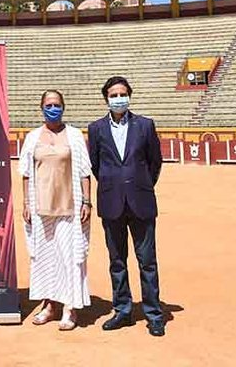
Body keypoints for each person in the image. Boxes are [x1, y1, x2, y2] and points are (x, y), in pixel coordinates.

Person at [87, 76, 166, 337]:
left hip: (141, 200)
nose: (118, 98)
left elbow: (155, 161)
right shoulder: (96, 129)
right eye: (113, 95)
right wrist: (114, 185)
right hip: (111, 203)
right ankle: (122, 310)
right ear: (106, 99)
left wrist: (141, 184)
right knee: (117, 261)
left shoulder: (145, 125)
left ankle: (154, 314)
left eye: (122, 93)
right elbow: (96, 165)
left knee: (147, 262)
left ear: (129, 95)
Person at [19, 90, 93, 331]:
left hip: (69, 207)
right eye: (49, 105)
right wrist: (26, 204)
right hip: (40, 208)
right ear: (41, 108)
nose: (53, 108)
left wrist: (87, 202)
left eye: (57, 104)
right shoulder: (32, 137)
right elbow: (26, 174)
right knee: (44, 257)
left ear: (64, 107)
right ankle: (49, 305)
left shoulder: (73, 135)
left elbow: (84, 172)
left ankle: (70, 308)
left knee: (69, 257)